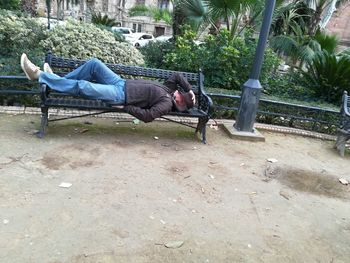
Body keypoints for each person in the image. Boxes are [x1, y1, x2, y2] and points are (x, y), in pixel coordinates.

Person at [20, 53, 196, 123]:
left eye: (181, 96)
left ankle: (39, 75)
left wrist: (125, 108)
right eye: (180, 93)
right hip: (121, 83)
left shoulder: (165, 104)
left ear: (179, 103)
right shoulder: (168, 90)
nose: (178, 93)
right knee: (94, 64)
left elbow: (148, 116)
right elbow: (177, 75)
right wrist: (189, 90)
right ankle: (57, 80)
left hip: (120, 96)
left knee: (84, 86)